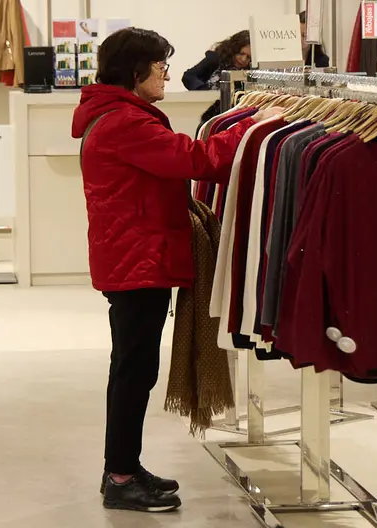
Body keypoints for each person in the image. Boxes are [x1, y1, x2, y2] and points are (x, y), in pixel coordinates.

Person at [70, 27, 279, 513]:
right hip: (137, 261)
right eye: (160, 65)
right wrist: (253, 129)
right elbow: (195, 159)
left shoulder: (117, 116)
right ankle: (121, 476)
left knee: (134, 367)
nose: (167, 74)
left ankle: (123, 466)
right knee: (133, 369)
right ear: (135, 70)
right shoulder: (125, 122)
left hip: (136, 257)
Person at [181, 29, 251, 91]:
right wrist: (204, 91)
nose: (243, 59)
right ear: (234, 49)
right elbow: (188, 76)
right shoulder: (215, 59)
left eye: (248, 57)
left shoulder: (250, 72)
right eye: (241, 53)